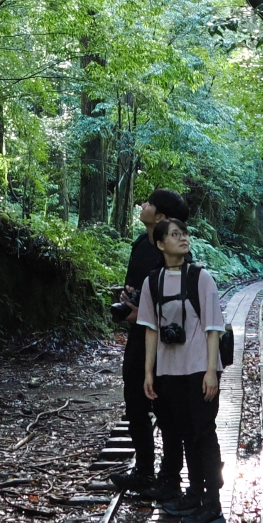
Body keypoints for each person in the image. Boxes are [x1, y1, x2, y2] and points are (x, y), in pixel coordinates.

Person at [136, 216, 225, 523]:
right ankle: (194, 494)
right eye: (175, 235)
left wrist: (212, 371)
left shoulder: (201, 279)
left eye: (184, 233)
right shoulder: (153, 282)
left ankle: (213, 504)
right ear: (160, 244)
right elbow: (149, 329)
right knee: (183, 433)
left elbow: (214, 328)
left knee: (203, 433)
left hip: (199, 367)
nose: (183, 238)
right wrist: (149, 372)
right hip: (169, 370)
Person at [109, 188, 190, 496]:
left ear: (161, 216)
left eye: (148, 203)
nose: (142, 205)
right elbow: (138, 287)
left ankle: (170, 478)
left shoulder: (176, 251)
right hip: (139, 338)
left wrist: (140, 311)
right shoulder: (141, 244)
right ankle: (144, 470)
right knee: (135, 402)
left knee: (167, 407)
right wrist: (127, 297)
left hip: (167, 342)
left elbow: (179, 303)